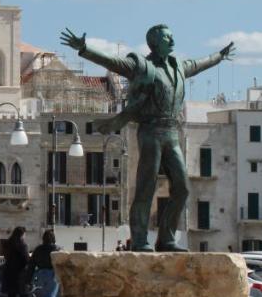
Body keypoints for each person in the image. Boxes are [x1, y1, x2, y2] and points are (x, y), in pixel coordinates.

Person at [61, 24, 233, 251]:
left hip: (172, 132)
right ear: (154, 43)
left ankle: (167, 239)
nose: (172, 41)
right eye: (167, 38)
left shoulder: (178, 66)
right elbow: (114, 62)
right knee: (146, 187)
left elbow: (200, 64)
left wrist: (219, 57)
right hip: (150, 131)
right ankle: (140, 239)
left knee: (181, 188)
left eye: (172, 37)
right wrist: (85, 49)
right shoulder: (143, 66)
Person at [28, 230, 61, 297]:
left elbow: (32, 265)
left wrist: (29, 280)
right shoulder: (56, 248)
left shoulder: (38, 249)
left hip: (40, 274)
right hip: (52, 274)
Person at [0, 226, 29, 297]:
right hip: (19, 274)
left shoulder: (7, 244)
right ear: (22, 234)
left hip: (9, 274)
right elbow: (26, 260)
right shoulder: (22, 245)